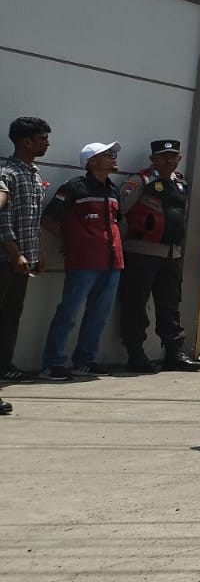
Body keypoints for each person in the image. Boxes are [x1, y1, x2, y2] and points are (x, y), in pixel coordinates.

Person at [38, 142, 125, 381]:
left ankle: (85, 360)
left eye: (113, 154)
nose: (113, 158)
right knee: (68, 312)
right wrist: (72, 241)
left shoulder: (113, 190)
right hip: (84, 262)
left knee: (99, 314)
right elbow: (49, 219)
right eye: (107, 155)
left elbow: (117, 222)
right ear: (91, 161)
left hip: (112, 262)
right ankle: (52, 363)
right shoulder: (74, 187)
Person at [117, 139, 200, 373]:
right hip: (141, 252)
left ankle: (174, 353)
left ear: (179, 159)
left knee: (170, 306)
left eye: (173, 156)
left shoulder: (181, 183)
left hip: (171, 254)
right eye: (164, 156)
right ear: (153, 159)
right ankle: (135, 354)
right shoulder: (140, 181)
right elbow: (119, 213)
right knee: (135, 304)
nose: (169, 160)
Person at [1, 116, 51, 403]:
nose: (47, 143)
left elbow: (32, 221)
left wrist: (36, 252)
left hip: (24, 259)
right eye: (42, 138)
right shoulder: (6, 173)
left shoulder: (32, 173)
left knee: (11, 316)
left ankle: (5, 366)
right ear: (25, 141)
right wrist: (15, 253)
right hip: (6, 259)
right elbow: (3, 219)